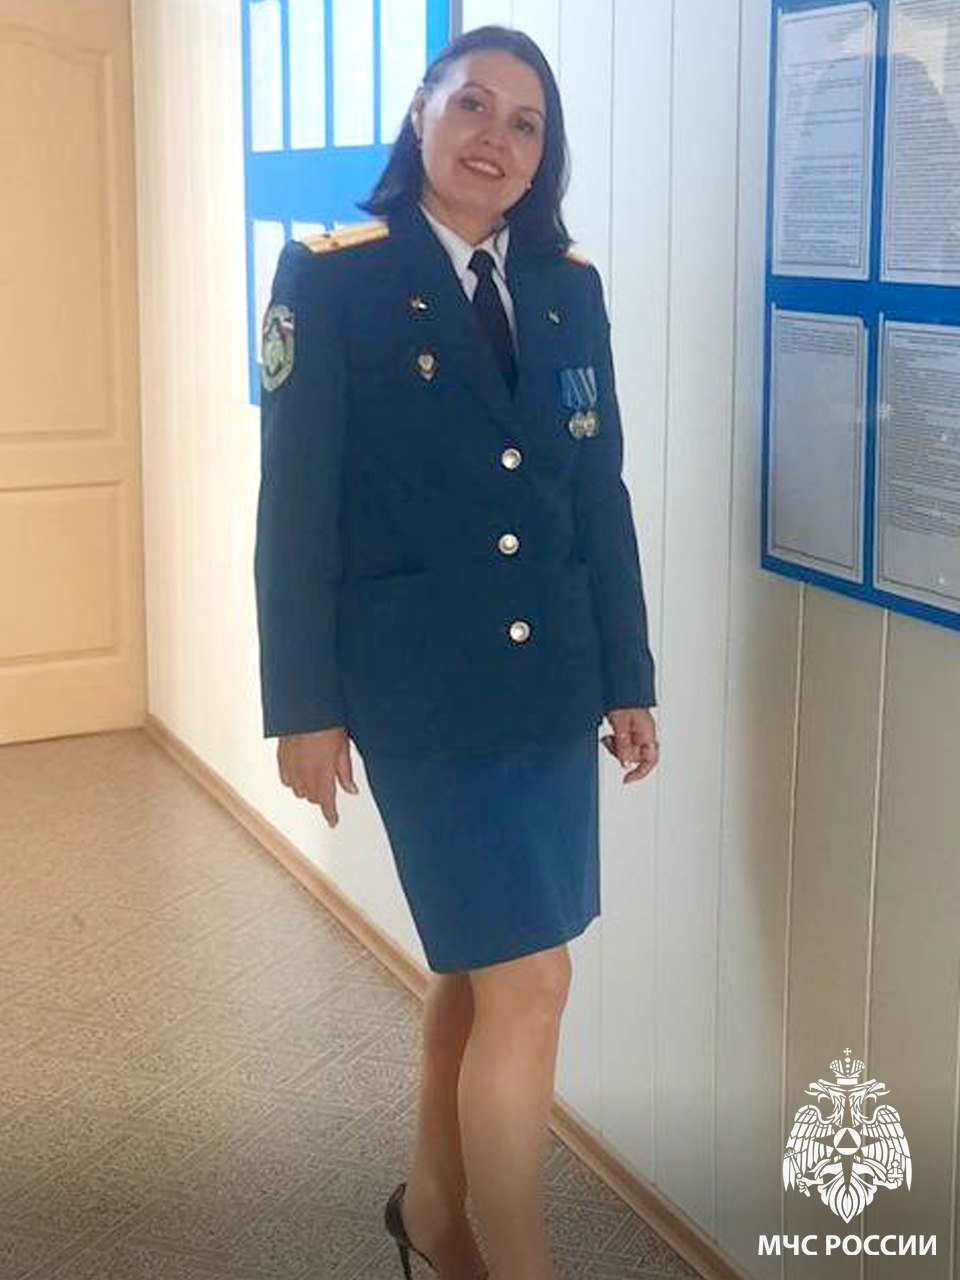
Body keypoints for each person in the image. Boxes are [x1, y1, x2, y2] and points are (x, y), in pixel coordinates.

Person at [254, 24, 659, 1280]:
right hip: (421, 692)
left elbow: (597, 492)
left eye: (526, 123)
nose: (496, 139)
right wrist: (303, 703)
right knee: (532, 977)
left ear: (545, 154)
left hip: (548, 687)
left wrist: (629, 675)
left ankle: (434, 1212)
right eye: (473, 105)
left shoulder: (566, 285)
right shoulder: (333, 278)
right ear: (422, 113)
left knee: (484, 965)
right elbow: (295, 506)